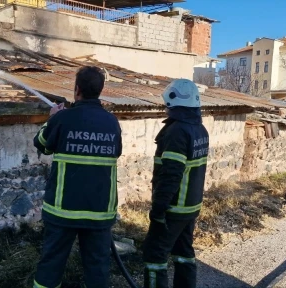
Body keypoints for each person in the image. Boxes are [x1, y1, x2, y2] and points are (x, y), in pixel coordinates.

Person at [32, 66, 123, 288]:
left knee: (51, 266)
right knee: (97, 270)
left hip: (63, 210)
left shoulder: (63, 119)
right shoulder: (112, 123)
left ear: (77, 89)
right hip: (99, 212)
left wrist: (51, 119)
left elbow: (41, 144)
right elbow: (116, 152)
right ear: (100, 90)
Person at [142, 79, 209, 288]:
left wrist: (159, 208)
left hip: (173, 208)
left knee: (155, 256)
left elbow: (171, 174)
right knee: (184, 254)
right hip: (191, 206)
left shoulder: (177, 132)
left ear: (174, 102)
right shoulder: (199, 129)